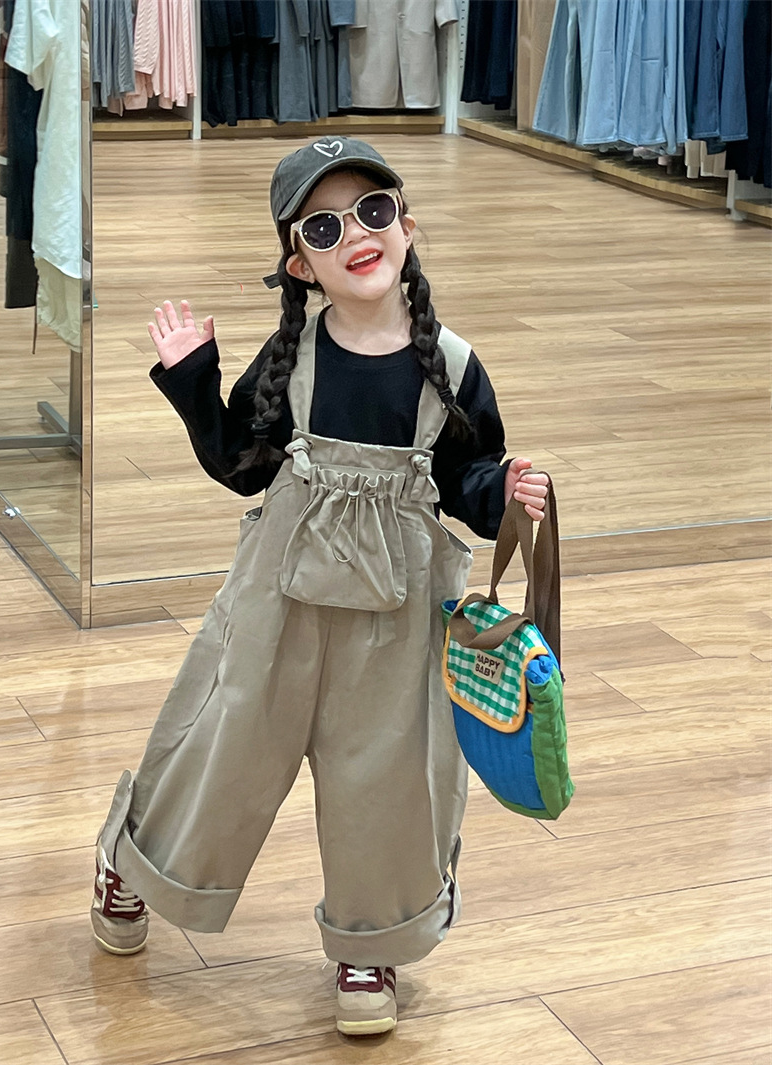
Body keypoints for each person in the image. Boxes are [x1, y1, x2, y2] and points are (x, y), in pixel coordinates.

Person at [90, 135, 549, 1037]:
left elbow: (466, 478)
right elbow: (242, 464)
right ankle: (137, 866)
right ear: (300, 264)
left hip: (398, 614)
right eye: (326, 227)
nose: (357, 235)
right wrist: (194, 383)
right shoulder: (291, 356)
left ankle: (369, 940)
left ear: (406, 225)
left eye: (372, 211)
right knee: (224, 742)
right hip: (278, 601)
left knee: (388, 772)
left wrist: (507, 493)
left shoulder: (454, 366)